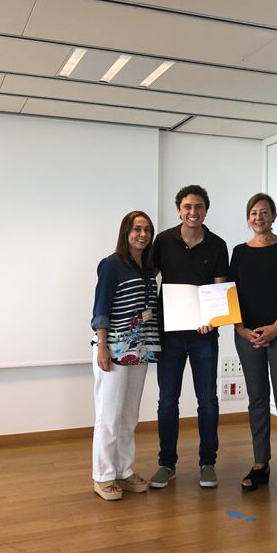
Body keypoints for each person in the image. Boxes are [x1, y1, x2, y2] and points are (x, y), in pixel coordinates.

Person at [149, 185, 229, 489]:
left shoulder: (217, 245)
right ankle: (166, 464)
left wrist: (212, 320)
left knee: (207, 401)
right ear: (178, 210)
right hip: (169, 335)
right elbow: (149, 279)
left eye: (198, 207)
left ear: (206, 210)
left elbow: (220, 289)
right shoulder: (163, 241)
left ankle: (208, 463)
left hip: (203, 337)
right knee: (167, 401)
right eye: (187, 207)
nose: (193, 212)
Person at [229, 193, 277, 499]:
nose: (258, 217)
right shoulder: (239, 252)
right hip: (247, 336)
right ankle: (261, 464)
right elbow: (230, 295)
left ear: (273, 216)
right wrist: (241, 329)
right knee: (257, 399)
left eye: (264, 212)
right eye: (253, 213)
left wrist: (274, 329)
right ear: (248, 218)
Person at [90, 211, 160, 500]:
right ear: (126, 233)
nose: (142, 234)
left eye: (147, 230)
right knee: (109, 416)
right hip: (114, 350)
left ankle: (124, 470)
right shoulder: (111, 265)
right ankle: (103, 475)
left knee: (129, 416)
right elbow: (101, 308)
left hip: (140, 350)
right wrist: (102, 346)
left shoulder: (148, 267)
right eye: (137, 229)